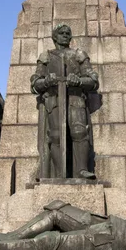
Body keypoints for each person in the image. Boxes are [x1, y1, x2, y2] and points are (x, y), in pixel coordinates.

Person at [31, 24, 98, 179]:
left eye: (68, 33)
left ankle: (81, 170)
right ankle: (59, 172)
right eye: (61, 33)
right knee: (55, 136)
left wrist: (79, 81)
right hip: (53, 99)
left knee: (79, 132)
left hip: (75, 99)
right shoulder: (46, 56)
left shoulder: (79, 55)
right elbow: (34, 84)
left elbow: (93, 81)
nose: (65, 35)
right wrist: (46, 81)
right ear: (54, 36)